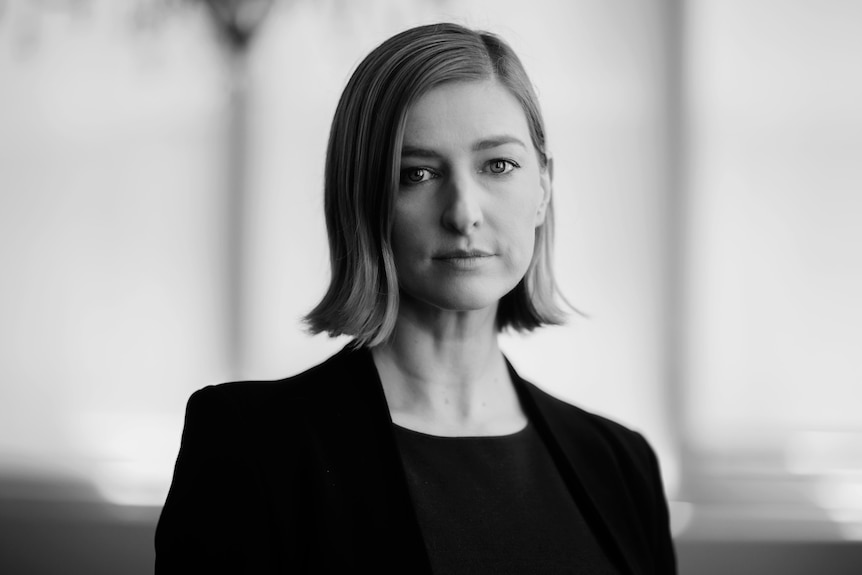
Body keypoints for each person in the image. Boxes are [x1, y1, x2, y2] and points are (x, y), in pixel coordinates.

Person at [155, 22, 676, 574]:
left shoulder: (620, 462)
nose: (463, 212)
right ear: (362, 198)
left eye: (498, 165)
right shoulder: (254, 447)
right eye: (418, 174)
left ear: (543, 189)